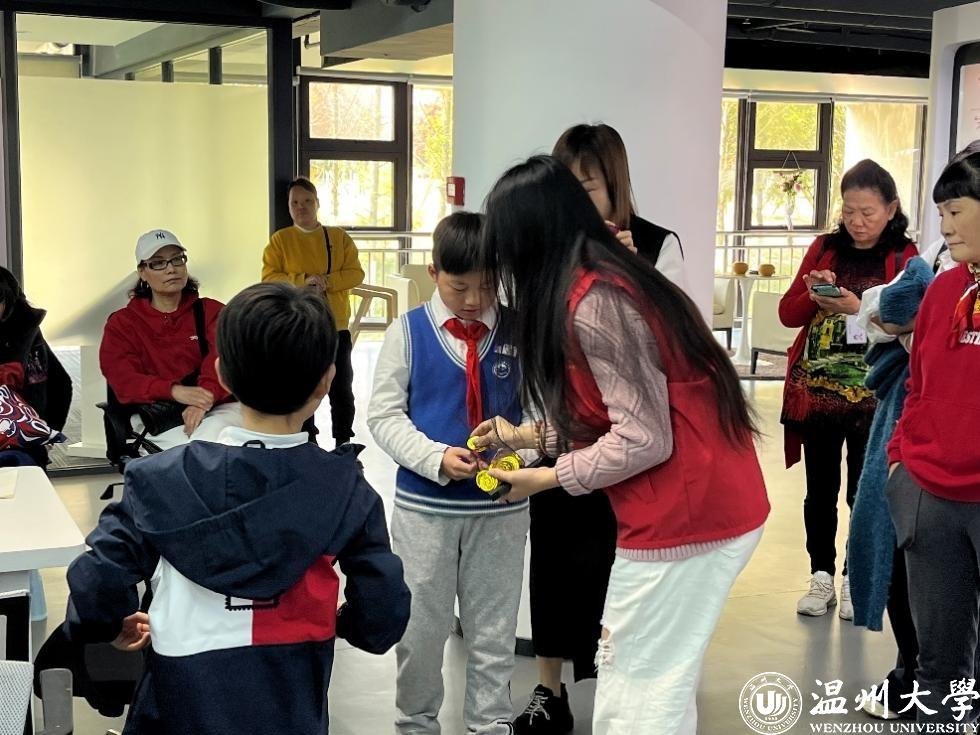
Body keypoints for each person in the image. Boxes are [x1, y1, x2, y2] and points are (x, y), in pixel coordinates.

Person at [471, 155, 769, 735]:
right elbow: (615, 415)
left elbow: (643, 437)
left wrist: (546, 477)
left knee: (636, 692)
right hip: (693, 505)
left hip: (687, 516)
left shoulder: (596, 302)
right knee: (654, 683)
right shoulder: (602, 279)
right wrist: (526, 436)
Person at [64, 281, 411, 735]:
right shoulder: (345, 487)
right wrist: (352, 625)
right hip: (293, 692)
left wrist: (109, 624)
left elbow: (95, 581)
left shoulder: (157, 479)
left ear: (222, 375)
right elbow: (383, 610)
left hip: (180, 695)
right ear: (327, 381)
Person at [367, 212, 529, 735]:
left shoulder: (521, 331)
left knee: (493, 630)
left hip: (501, 510)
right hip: (425, 510)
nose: (474, 299)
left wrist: (517, 457)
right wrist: (435, 457)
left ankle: (491, 723)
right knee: (421, 628)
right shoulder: (407, 331)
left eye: (487, 284)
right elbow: (384, 416)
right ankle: (415, 722)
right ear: (434, 272)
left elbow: (544, 415)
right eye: (460, 287)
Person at [778, 160, 918, 619]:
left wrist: (859, 307)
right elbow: (788, 314)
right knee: (819, 492)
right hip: (818, 395)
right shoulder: (824, 248)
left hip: (874, 400)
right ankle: (820, 576)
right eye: (849, 211)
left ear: (891, 209)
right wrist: (813, 291)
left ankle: (855, 577)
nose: (857, 221)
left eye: (868, 212)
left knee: (864, 494)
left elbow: (910, 322)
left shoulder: (905, 257)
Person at [885, 148, 980, 724]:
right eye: (940, 213)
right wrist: (901, 463)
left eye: (956, 211)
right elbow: (917, 386)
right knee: (937, 667)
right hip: (929, 493)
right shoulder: (944, 291)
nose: (944, 226)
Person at [100, 229, 240, 450]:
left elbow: (225, 358)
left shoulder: (212, 311)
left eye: (177, 259)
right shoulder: (123, 323)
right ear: (142, 272)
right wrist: (174, 391)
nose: (171, 269)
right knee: (199, 450)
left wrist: (203, 398)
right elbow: (123, 378)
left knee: (233, 441)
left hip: (216, 407)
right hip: (157, 416)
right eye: (158, 263)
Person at [262, 177, 365, 447]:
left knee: (341, 386)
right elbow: (269, 277)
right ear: (288, 207)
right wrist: (302, 281)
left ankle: (344, 441)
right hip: (298, 325)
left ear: (317, 203)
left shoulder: (338, 237)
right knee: (303, 386)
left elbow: (356, 273)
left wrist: (328, 281)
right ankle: (307, 441)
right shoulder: (281, 240)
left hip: (335, 325)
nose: (301, 207)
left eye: (307, 201)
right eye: (295, 202)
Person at [552, 123, 686, 288]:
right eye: (564, 190)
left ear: (614, 187)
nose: (571, 201)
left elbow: (669, 305)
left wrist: (629, 270)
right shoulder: (552, 245)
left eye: (585, 190)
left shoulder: (658, 246)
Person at [0, 266, 71, 468]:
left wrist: (47, 433)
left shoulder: (26, 333)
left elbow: (61, 384)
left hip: (22, 443)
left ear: (8, 301)